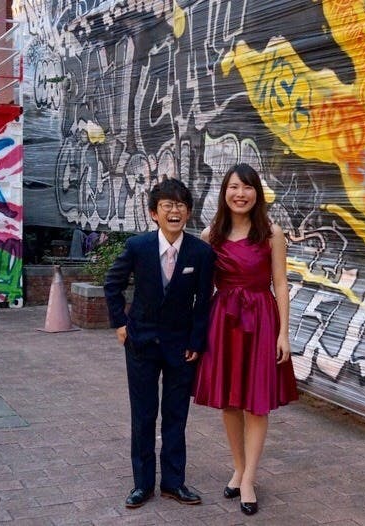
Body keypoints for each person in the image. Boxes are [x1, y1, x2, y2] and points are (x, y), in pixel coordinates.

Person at [192, 163, 298, 516]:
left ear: (257, 193)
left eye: (247, 187)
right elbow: (200, 288)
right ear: (225, 192)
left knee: (256, 403)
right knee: (229, 402)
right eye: (234, 187)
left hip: (261, 321)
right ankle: (238, 468)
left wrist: (283, 332)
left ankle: (249, 478)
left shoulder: (271, 233)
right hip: (223, 321)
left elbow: (280, 283)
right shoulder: (210, 235)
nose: (241, 194)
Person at [104, 178, 215, 509]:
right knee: (143, 415)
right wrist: (120, 324)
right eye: (167, 205)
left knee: (175, 416)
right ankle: (142, 485)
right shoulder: (138, 247)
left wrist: (196, 341)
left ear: (188, 212)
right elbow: (112, 284)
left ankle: (173, 483)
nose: (174, 211)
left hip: (182, 347)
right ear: (154, 213)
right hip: (141, 343)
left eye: (180, 205)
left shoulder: (200, 252)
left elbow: (203, 302)